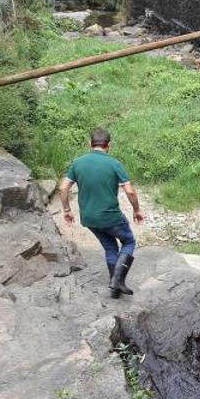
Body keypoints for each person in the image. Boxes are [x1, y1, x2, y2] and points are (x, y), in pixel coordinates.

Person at [59, 128, 145, 298]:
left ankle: (115, 288)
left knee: (110, 247)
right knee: (128, 241)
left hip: (89, 218)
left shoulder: (78, 163)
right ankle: (117, 281)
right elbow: (130, 192)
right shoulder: (114, 164)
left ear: (89, 144)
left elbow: (63, 188)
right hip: (110, 216)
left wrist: (67, 210)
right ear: (109, 145)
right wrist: (136, 210)